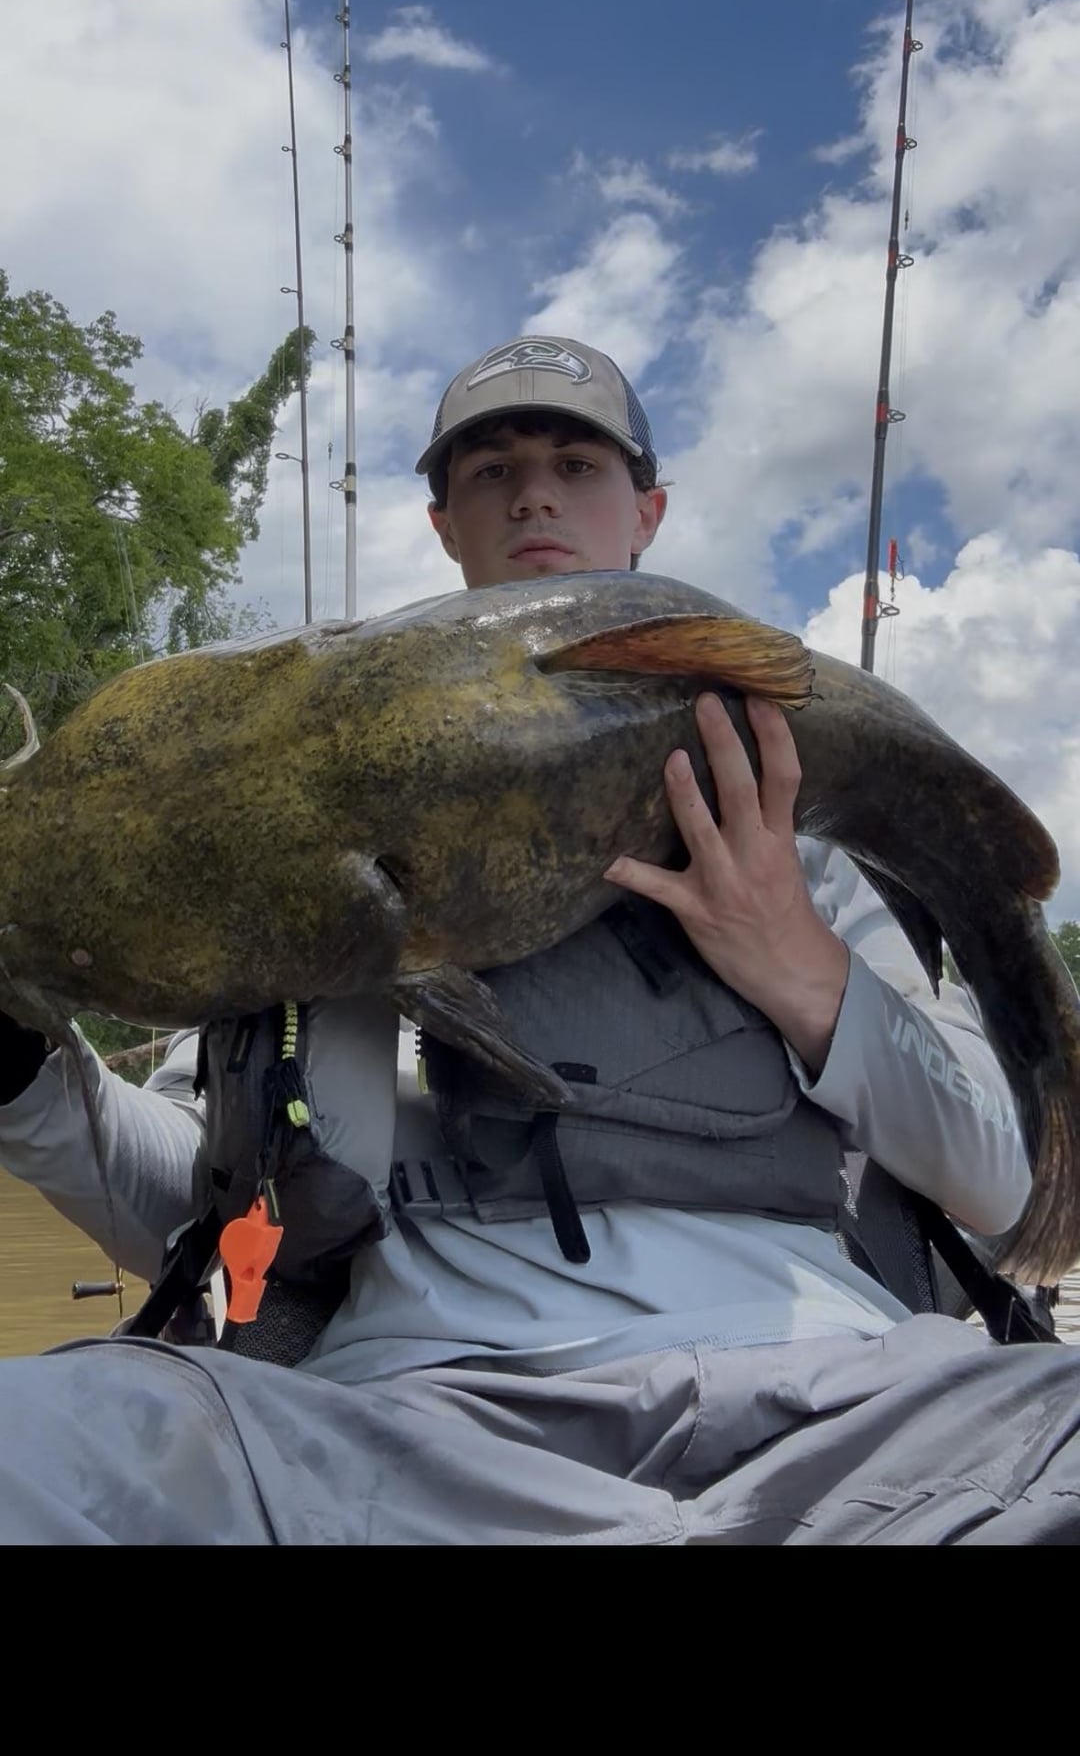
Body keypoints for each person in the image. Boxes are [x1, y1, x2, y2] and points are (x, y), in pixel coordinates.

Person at [0, 331, 1077, 1546]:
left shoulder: (804, 833)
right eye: (492, 471)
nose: (534, 496)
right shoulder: (265, 816)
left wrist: (803, 967)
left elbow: (1008, 1180)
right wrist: (22, 1074)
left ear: (648, 510)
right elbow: (186, 1201)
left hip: (845, 1405)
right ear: (443, 522)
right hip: (402, 1425)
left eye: (576, 464)